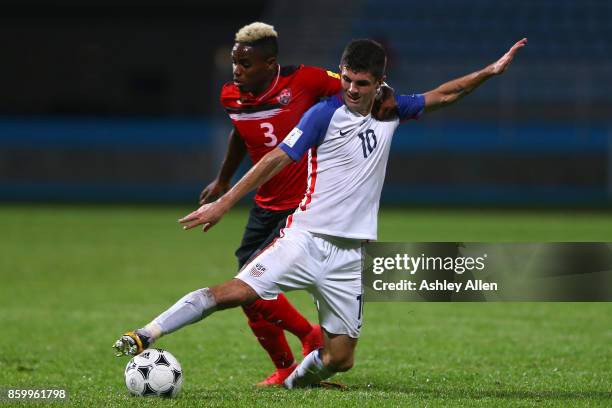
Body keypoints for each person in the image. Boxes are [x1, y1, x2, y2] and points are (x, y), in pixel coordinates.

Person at [115, 36, 527, 388]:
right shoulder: (324, 114)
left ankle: (294, 383)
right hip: (305, 239)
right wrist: (224, 201)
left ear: (379, 82)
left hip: (350, 258)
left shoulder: (390, 110)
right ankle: (146, 333)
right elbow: (275, 158)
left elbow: (447, 94)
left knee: (339, 359)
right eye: (345, 78)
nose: (350, 89)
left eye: (361, 83)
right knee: (237, 291)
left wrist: (489, 72)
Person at [115, 22, 397, 387]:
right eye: (235, 62)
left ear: (270, 63)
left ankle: (304, 346)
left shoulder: (309, 80)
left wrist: (389, 98)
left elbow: (357, 89)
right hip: (264, 204)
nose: (237, 70)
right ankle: (289, 363)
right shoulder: (232, 95)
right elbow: (240, 132)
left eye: (245, 63)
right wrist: (224, 179)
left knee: (246, 288)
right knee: (249, 291)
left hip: (300, 206)